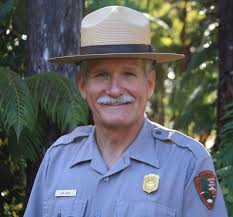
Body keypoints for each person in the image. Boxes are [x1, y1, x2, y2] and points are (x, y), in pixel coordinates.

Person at [24, 5, 228, 217]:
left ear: (149, 84)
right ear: (83, 85)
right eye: (101, 75)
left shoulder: (187, 164)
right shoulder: (57, 160)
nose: (114, 90)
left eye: (128, 74)